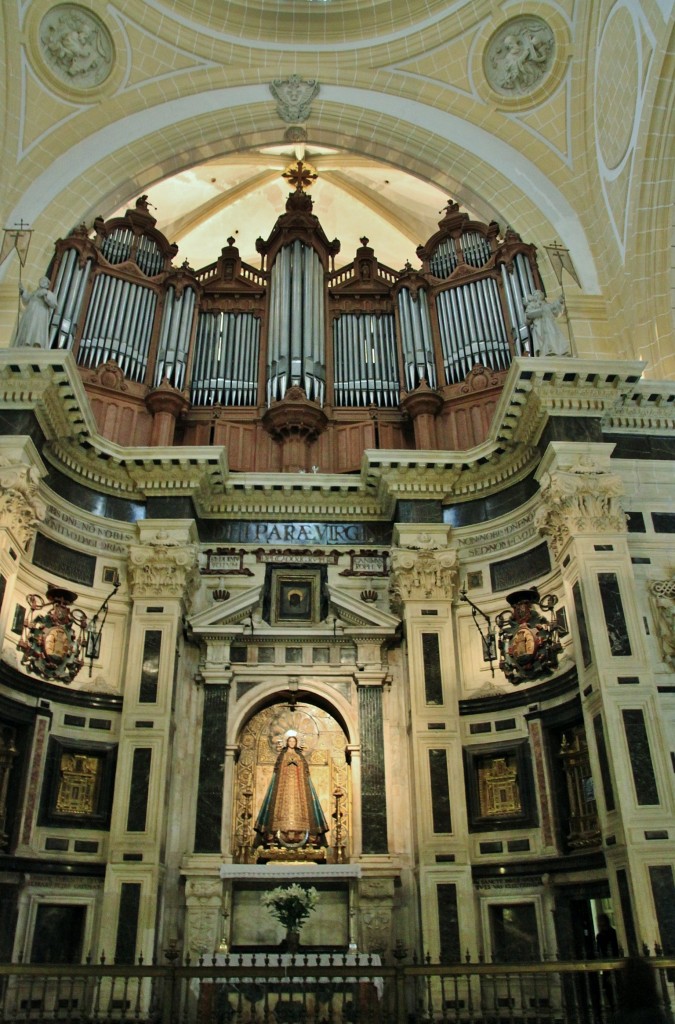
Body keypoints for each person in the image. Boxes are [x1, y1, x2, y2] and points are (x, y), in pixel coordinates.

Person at [254, 733, 328, 849]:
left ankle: (303, 832)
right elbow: (277, 771)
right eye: (290, 741)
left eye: (294, 742)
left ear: (296, 743)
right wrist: (287, 764)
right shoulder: (282, 755)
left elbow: (305, 772)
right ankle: (279, 832)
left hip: (299, 788)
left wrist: (297, 764)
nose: (292, 743)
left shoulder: (300, 756)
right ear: (287, 743)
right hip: (283, 787)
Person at [14, 277, 58, 349]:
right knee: (29, 326)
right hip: (30, 312)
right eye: (41, 280)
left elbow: (54, 304)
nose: (42, 282)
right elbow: (27, 300)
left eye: (44, 281)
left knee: (37, 327)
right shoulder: (34, 292)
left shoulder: (48, 293)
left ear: (47, 285)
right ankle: (26, 342)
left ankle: (37, 343)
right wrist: (23, 291)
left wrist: (46, 294)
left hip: (40, 313)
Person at [524, 289, 570, 357]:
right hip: (539, 326)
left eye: (540, 294)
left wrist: (559, 301)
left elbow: (555, 308)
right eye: (536, 295)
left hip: (550, 324)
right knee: (544, 339)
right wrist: (539, 311)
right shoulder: (533, 305)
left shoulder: (547, 305)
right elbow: (527, 317)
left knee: (553, 335)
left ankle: (557, 351)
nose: (539, 295)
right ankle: (547, 352)